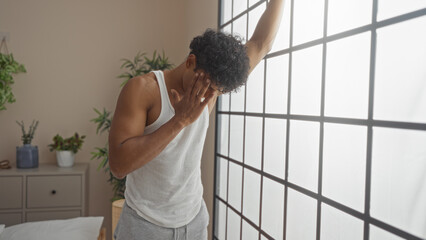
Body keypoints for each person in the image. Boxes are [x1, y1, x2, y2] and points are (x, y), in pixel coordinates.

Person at [109, 1, 284, 239]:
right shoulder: (142, 90)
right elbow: (119, 166)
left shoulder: (210, 89)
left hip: (194, 222)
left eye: (216, 90)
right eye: (208, 86)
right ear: (190, 62)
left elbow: (260, 44)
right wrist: (179, 121)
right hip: (145, 225)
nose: (209, 95)